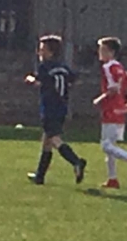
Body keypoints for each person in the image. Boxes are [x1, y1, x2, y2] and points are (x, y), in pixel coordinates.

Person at [24, 35, 86, 185]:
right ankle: (40, 176)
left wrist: (30, 79)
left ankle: (76, 162)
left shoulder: (45, 67)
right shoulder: (63, 67)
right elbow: (75, 80)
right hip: (62, 107)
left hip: (50, 107)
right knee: (46, 141)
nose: (39, 53)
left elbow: (39, 82)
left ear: (50, 52)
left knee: (54, 139)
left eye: (42, 49)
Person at [92, 37, 127, 189]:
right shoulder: (120, 67)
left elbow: (113, 89)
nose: (100, 52)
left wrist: (99, 99)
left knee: (105, 145)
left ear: (111, 52)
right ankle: (112, 179)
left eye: (103, 49)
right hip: (120, 110)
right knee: (111, 146)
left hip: (110, 109)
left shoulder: (108, 67)